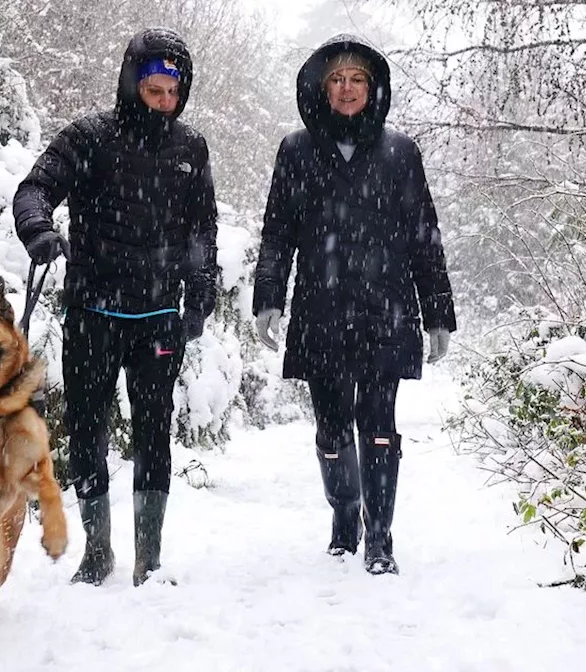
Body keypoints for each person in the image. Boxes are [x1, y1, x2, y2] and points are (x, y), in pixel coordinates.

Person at [12, 27, 218, 587]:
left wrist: (201, 292)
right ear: (131, 84)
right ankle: (98, 551)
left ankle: (148, 557)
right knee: (87, 431)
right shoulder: (89, 138)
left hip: (157, 318)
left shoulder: (189, 148)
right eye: (154, 90)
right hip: (92, 314)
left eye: (172, 94)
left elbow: (202, 230)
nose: (164, 103)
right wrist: (37, 230)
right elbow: (34, 189)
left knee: (154, 432)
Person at [252, 35, 456, 575]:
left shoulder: (400, 153)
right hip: (320, 307)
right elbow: (278, 234)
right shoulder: (296, 150)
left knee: (379, 421)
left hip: (385, 308)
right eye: (337, 79)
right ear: (322, 88)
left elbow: (424, 237)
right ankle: (344, 514)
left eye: (358, 80)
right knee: (332, 426)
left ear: (374, 88)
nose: (347, 89)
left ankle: (380, 536)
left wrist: (438, 313)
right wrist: (268, 297)